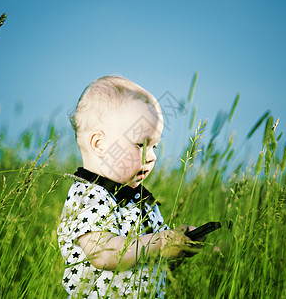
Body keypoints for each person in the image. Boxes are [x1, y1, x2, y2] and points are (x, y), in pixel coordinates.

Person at [57, 75, 202, 298]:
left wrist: (178, 248)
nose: (152, 156)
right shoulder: (88, 195)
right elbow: (104, 254)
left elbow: (152, 259)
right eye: (140, 144)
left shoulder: (141, 201)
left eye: (155, 146)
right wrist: (161, 241)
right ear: (99, 144)